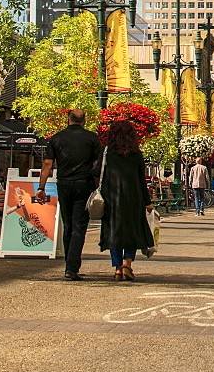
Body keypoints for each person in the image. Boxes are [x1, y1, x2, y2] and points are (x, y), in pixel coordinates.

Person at [34, 109, 101, 281]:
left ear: (68, 120)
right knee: (79, 226)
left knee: (68, 225)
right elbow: (98, 164)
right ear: (84, 121)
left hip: (63, 184)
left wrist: (41, 187)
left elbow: (48, 163)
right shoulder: (92, 138)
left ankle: (68, 266)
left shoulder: (57, 138)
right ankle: (72, 267)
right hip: (83, 184)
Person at [98, 119, 154, 281]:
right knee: (132, 230)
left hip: (112, 198)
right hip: (133, 198)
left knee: (114, 232)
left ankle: (117, 268)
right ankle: (127, 263)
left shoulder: (106, 153)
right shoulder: (136, 154)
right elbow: (141, 180)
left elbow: (97, 173)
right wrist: (147, 201)